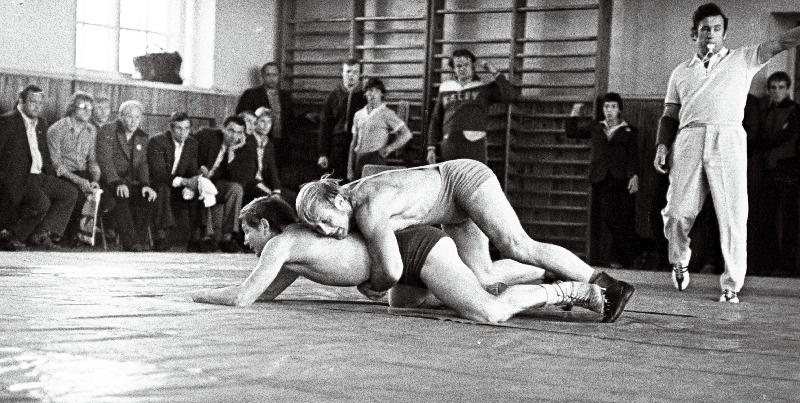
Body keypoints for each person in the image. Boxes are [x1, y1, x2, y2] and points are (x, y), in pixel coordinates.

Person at [295, 159, 635, 323]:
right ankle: (547, 274)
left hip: (462, 179)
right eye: (317, 228)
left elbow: (392, 271)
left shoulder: (367, 208)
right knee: (483, 278)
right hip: (452, 207)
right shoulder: (350, 202)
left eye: (325, 220)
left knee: (517, 244)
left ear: (339, 200)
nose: (326, 231)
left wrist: (370, 284)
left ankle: (606, 284)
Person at [193, 195, 607, 323]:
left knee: (488, 312)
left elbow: (244, 297)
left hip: (414, 249)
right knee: (412, 302)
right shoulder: (288, 251)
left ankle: (572, 290)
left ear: (265, 226)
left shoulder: (281, 245)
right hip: (401, 261)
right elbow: (263, 293)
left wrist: (199, 296)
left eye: (247, 232)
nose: (245, 241)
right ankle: (535, 269)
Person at [654, 3, 800, 303]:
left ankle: (731, 284)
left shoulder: (744, 58)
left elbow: (782, 42)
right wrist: (662, 145)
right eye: (705, 28)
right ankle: (679, 259)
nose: (711, 34)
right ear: (694, 33)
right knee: (677, 213)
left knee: (733, 215)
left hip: (728, 138)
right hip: (689, 138)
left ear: (725, 34)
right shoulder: (681, 71)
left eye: (717, 28)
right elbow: (669, 114)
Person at [0, 84, 78, 250]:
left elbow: (43, 152)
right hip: (18, 178)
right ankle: (14, 236)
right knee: (41, 203)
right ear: (21, 101)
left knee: (69, 192)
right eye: (32, 102)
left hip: (39, 175)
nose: (37, 106)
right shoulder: (7, 121)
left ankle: (41, 234)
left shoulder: (41, 123)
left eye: (40, 103)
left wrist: (50, 173)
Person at [566, 93, 640, 267]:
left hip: (621, 179)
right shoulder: (596, 127)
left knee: (620, 220)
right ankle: (621, 255)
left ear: (619, 109)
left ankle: (624, 257)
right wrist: (575, 112)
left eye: (613, 107)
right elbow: (572, 132)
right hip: (600, 178)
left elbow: (633, 155)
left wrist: (634, 175)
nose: (609, 110)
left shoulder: (629, 130)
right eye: (606, 107)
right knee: (606, 219)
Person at [427, 49, 516, 165]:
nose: (462, 68)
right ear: (454, 69)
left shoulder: (483, 87)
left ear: (472, 66)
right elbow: (436, 119)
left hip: (474, 144)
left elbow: (510, 96)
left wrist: (493, 71)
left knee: (474, 176)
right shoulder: (445, 88)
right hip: (449, 144)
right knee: (451, 176)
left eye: (466, 65)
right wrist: (431, 148)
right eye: (458, 66)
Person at [96, 99, 157, 251]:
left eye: (137, 117)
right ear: (120, 116)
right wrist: (117, 183)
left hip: (130, 182)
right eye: (129, 116)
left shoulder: (142, 136)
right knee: (121, 194)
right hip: (109, 182)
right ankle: (131, 242)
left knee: (147, 196)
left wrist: (145, 185)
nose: (133, 121)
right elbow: (105, 160)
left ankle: (140, 241)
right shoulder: (107, 130)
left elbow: (143, 163)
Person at [756, 71, 800, 276]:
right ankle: (771, 263)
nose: (776, 91)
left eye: (781, 87)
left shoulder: (795, 111)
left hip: (787, 169)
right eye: (773, 88)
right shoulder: (765, 111)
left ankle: (788, 266)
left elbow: (785, 137)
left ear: (788, 89)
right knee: (766, 218)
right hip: (768, 169)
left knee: (789, 219)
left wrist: (764, 142)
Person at [46, 90, 102, 246]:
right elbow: (56, 164)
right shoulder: (57, 129)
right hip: (62, 173)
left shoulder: (91, 130)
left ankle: (80, 235)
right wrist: (79, 181)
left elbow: (92, 160)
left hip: (82, 173)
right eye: (83, 107)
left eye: (90, 108)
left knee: (99, 196)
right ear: (72, 107)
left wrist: (95, 180)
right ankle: (66, 236)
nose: (87, 111)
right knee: (77, 195)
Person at [194, 115, 257, 252]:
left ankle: (227, 238)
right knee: (204, 186)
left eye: (239, 132)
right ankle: (207, 238)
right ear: (223, 129)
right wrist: (198, 166)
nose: (234, 136)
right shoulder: (207, 135)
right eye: (231, 130)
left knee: (236, 189)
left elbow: (238, 179)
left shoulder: (244, 148)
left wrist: (231, 153)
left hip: (216, 184)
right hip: (197, 179)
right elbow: (188, 149)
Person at [147, 111, 205, 251]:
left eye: (186, 128)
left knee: (199, 188)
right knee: (163, 188)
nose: (183, 132)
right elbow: (159, 173)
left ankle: (196, 238)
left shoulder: (191, 143)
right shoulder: (157, 141)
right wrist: (184, 182)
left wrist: (195, 178)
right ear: (171, 128)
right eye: (179, 128)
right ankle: (161, 236)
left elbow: (191, 170)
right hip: (158, 183)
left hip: (179, 184)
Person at [348, 77, 412, 181]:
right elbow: (353, 142)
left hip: (376, 158)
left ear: (382, 94)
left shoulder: (387, 113)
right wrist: (349, 168)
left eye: (376, 91)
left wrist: (389, 148)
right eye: (369, 91)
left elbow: (407, 134)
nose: (372, 94)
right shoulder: (358, 115)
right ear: (365, 94)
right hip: (359, 159)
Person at [236, 61, 293, 168]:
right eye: (268, 75)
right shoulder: (251, 94)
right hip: (257, 141)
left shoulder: (285, 96)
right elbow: (241, 117)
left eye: (274, 75)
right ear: (262, 76)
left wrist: (306, 117)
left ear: (279, 76)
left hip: (281, 141)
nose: (272, 78)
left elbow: (290, 119)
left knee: (277, 170)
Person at [317, 58, 366, 181]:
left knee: (356, 182)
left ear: (360, 74)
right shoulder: (333, 96)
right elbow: (324, 125)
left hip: (358, 146)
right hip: (337, 146)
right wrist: (323, 153)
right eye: (348, 71)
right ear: (342, 73)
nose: (351, 75)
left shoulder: (365, 97)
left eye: (355, 72)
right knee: (336, 181)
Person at [248, 106, 282, 204]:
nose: (266, 125)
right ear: (255, 122)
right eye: (262, 121)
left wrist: (277, 190)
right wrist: (270, 192)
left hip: (262, 183)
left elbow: (272, 168)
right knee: (272, 200)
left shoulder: (268, 143)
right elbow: (249, 173)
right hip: (249, 183)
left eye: (269, 122)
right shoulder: (248, 140)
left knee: (289, 196)